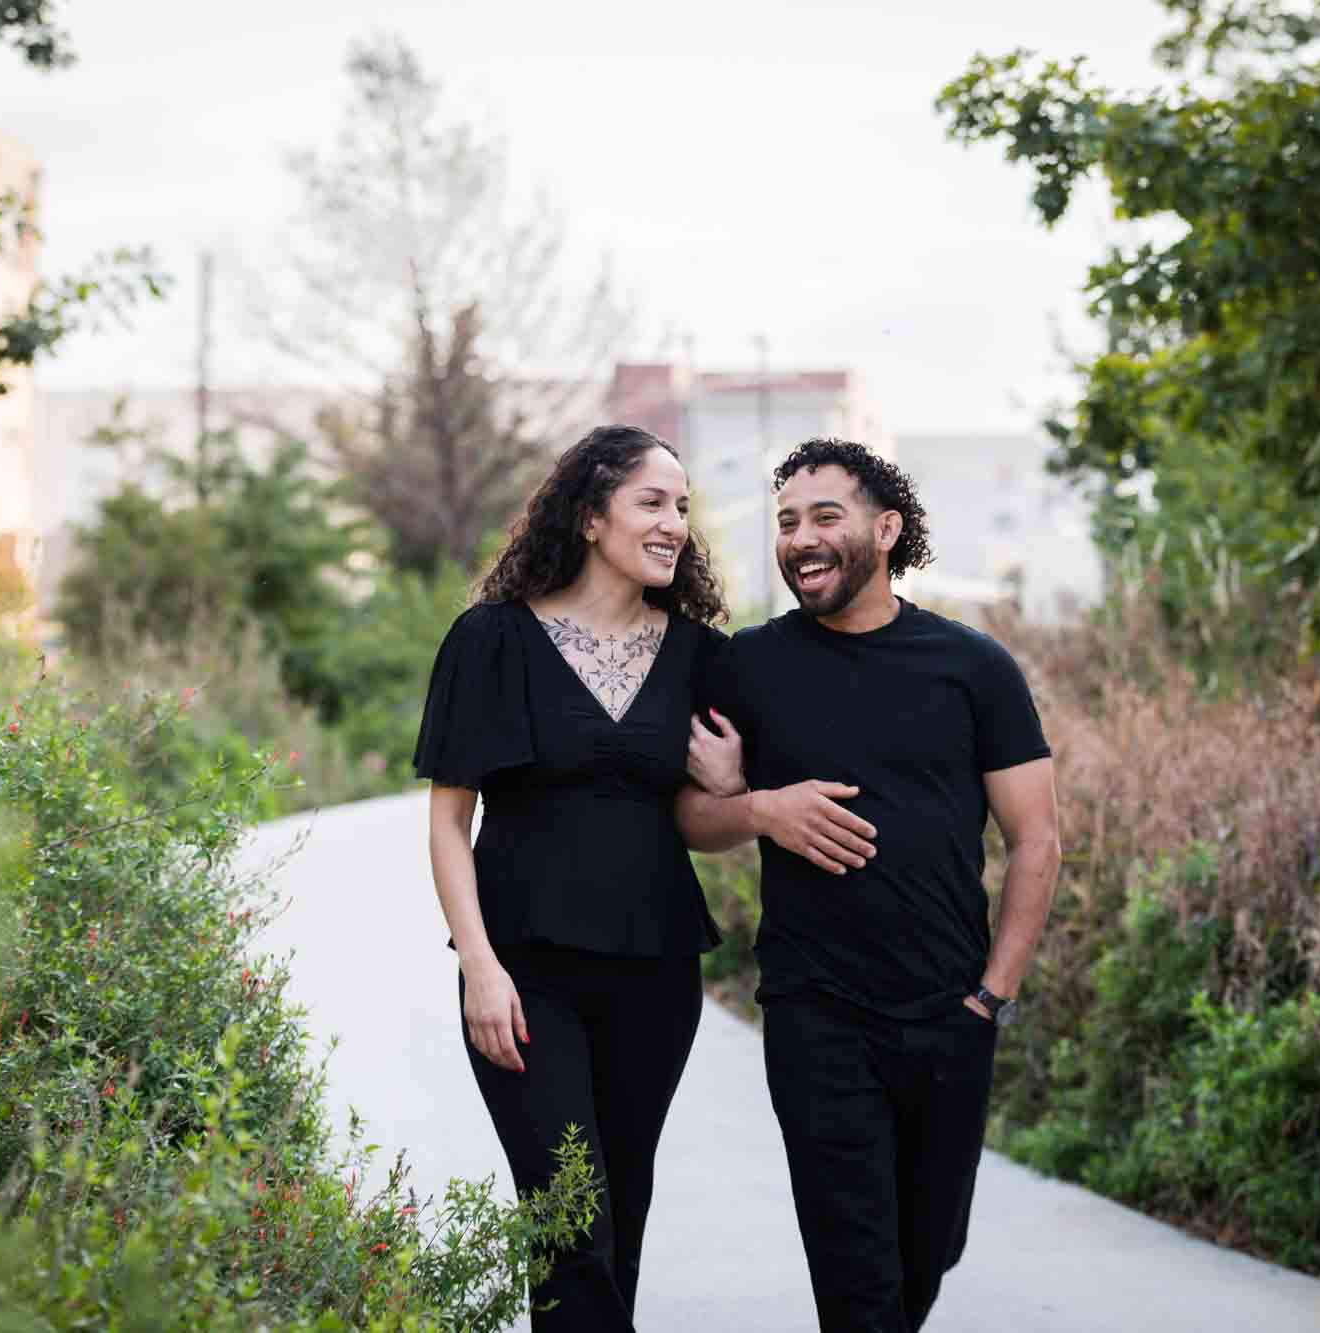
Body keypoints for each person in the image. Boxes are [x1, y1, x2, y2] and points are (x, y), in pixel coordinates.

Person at [675, 438, 1062, 1332]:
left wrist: (990, 1000)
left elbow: (1037, 841)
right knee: (857, 1283)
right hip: (819, 1012)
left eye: (824, 517)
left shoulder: (973, 667)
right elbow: (692, 819)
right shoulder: (749, 665)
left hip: (949, 1014)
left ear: (885, 530)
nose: (800, 538)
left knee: (927, 1254)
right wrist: (762, 808)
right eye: (785, 521)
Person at [413, 424, 736, 1332]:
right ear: (592, 516)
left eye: (683, 507)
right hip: (524, 973)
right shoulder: (492, 640)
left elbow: (712, 824)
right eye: (652, 502)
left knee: (619, 1217)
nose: (674, 522)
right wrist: (478, 963)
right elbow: (449, 818)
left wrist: (733, 785)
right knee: (568, 1220)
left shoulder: (700, 655)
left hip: (656, 972)